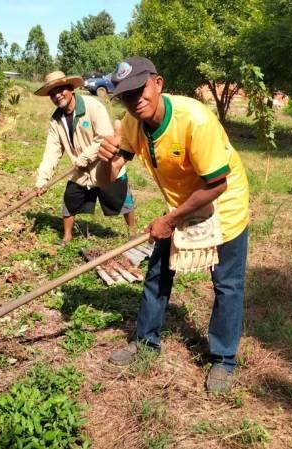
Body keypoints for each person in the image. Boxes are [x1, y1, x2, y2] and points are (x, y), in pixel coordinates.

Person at [96, 57, 250, 394]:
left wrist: (169, 220)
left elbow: (216, 185)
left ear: (158, 83)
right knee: (157, 273)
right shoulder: (133, 123)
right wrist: (105, 161)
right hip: (180, 204)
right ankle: (146, 342)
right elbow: (110, 180)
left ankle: (223, 359)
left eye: (140, 90)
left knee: (226, 284)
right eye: (126, 95)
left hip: (223, 203)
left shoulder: (194, 119)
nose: (135, 100)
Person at [34, 70, 137, 245]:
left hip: (105, 164)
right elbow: (51, 150)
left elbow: (105, 136)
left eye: (60, 90)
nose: (57, 96)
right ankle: (67, 236)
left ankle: (132, 232)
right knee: (70, 200)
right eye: (52, 94)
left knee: (123, 199)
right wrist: (42, 180)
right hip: (80, 171)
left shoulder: (93, 106)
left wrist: (84, 158)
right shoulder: (56, 120)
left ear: (70, 89)